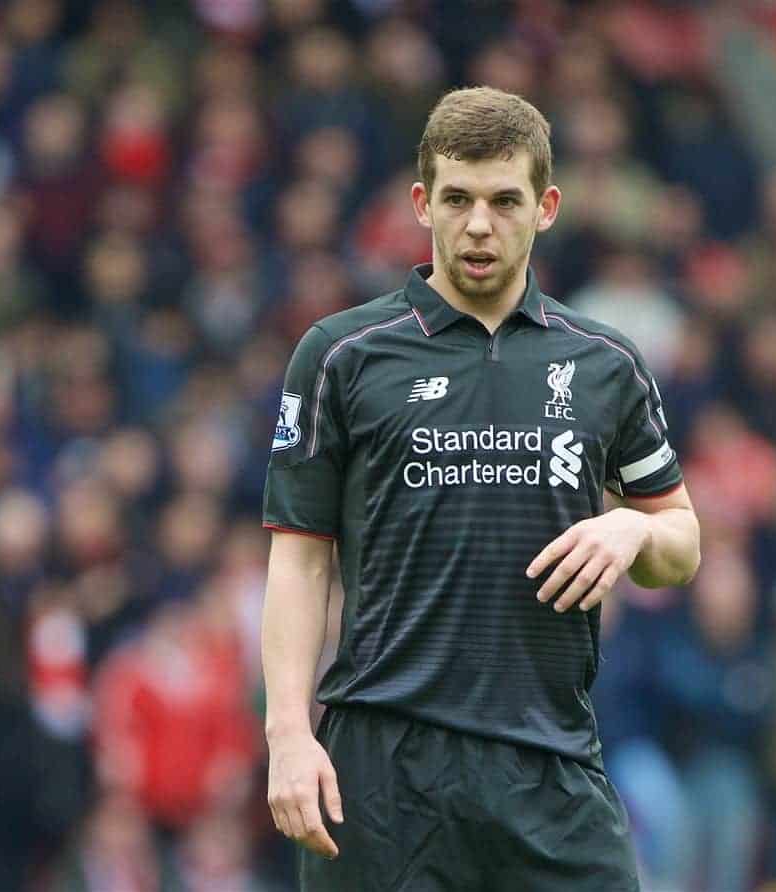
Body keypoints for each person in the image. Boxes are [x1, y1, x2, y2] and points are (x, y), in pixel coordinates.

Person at [260, 87, 701, 891]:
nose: (478, 225)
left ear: (547, 208)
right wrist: (288, 733)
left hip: (551, 764)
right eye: (457, 199)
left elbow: (681, 542)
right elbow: (299, 562)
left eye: (505, 201)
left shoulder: (606, 363)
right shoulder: (341, 355)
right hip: (384, 768)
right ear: (422, 203)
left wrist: (632, 531)